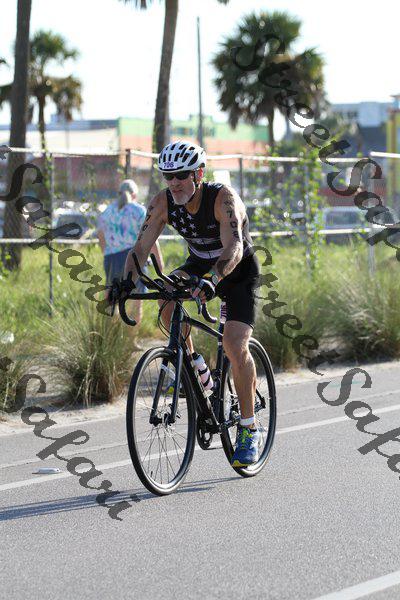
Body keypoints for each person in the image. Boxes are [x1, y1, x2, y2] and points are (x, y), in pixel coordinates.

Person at [123, 141, 261, 467]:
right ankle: (197, 368)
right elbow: (140, 249)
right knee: (166, 297)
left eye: (181, 175)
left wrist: (213, 280)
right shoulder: (163, 202)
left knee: (234, 345)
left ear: (199, 173)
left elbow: (234, 247)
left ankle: (248, 428)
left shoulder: (223, 199)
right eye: (168, 176)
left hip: (236, 269)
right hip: (198, 265)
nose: (174, 183)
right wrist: (124, 284)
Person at [97, 179, 163, 330]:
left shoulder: (107, 212)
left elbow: (100, 235)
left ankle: (112, 334)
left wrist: (107, 252)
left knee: (112, 298)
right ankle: (131, 338)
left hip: (111, 259)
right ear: (134, 195)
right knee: (136, 300)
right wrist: (159, 262)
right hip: (134, 259)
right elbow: (150, 238)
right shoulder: (139, 211)